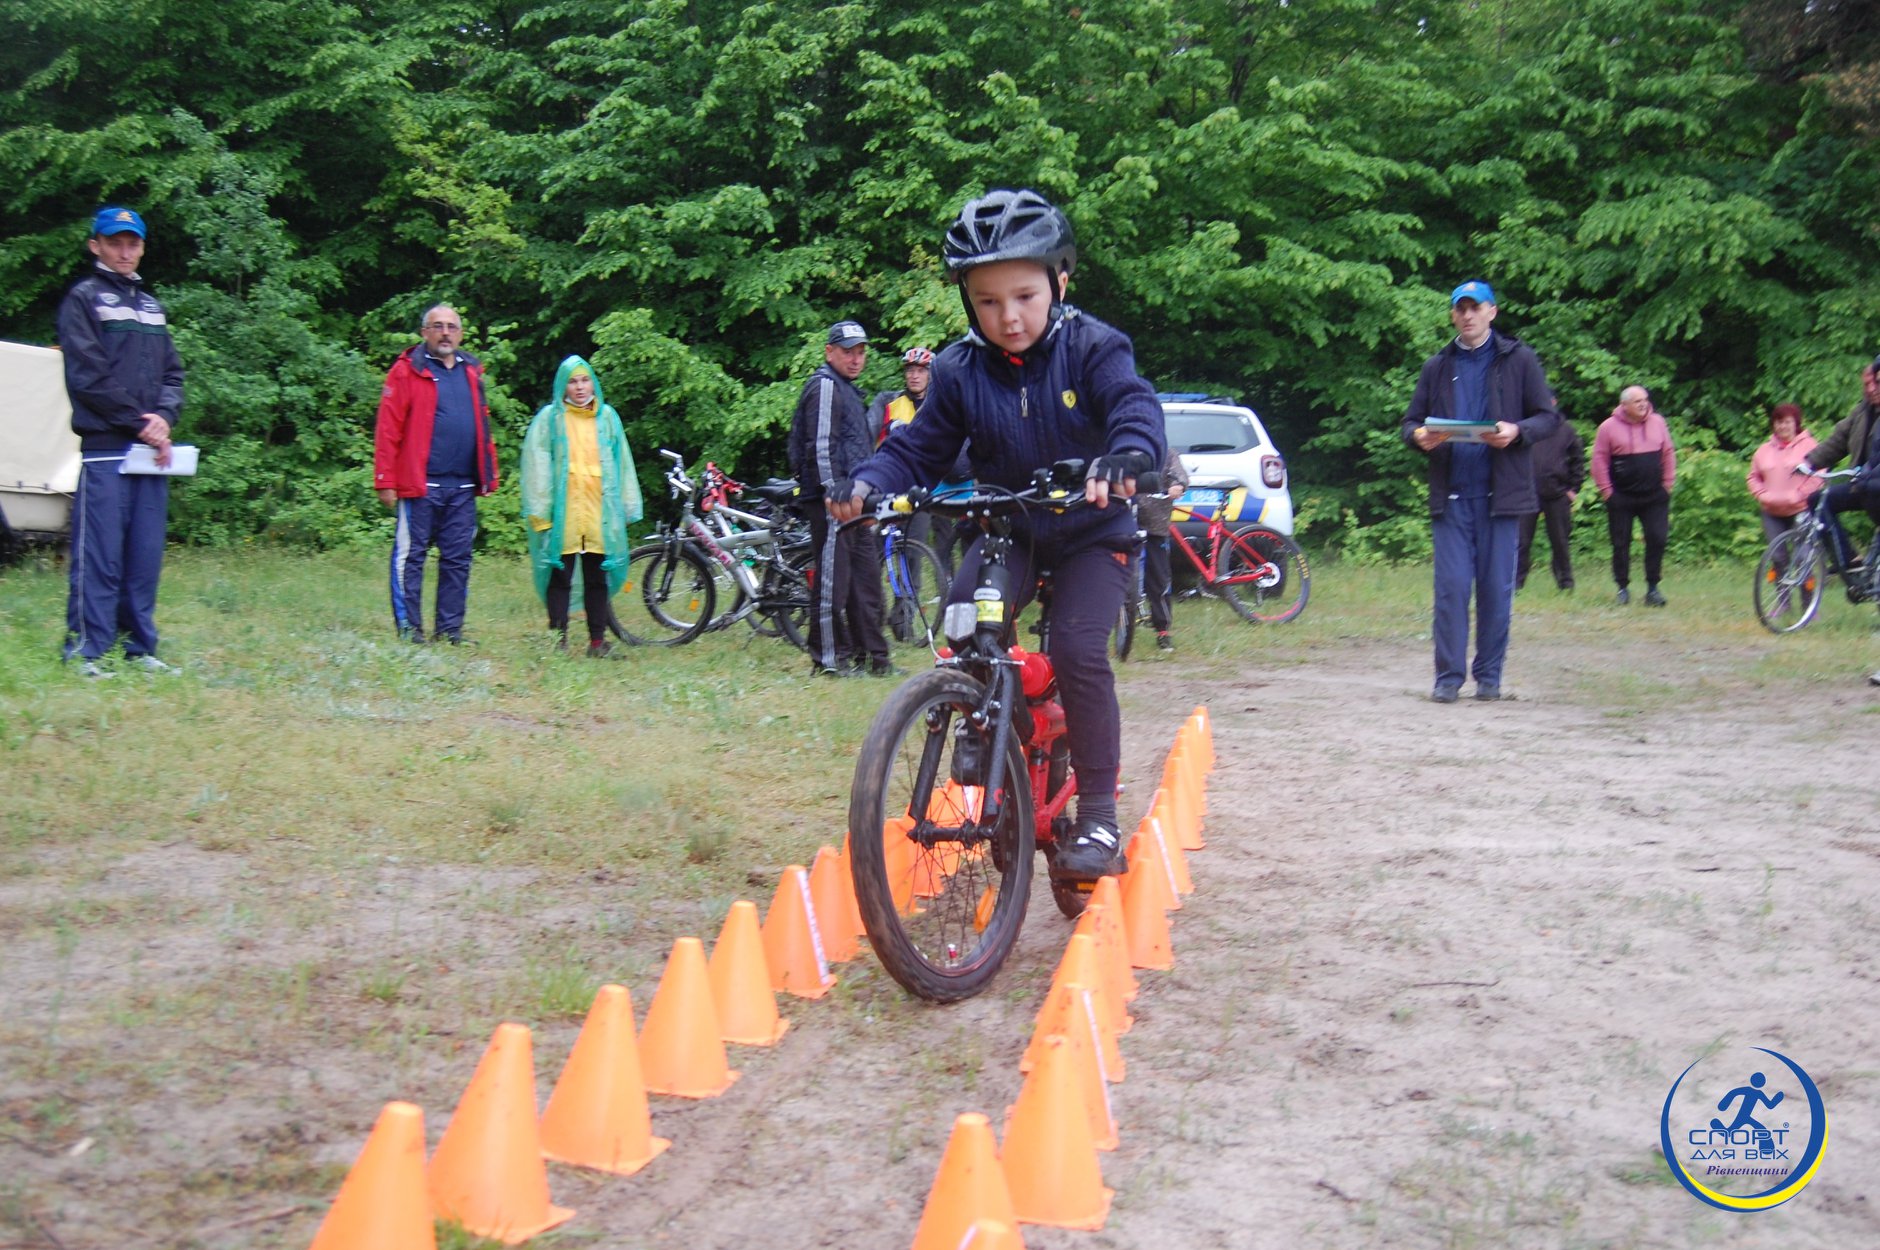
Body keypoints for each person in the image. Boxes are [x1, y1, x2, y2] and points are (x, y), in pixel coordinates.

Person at [832, 188, 1166, 884]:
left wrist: (1127, 456)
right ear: (967, 301)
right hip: (1009, 528)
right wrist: (866, 481)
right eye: (987, 301)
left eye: (1023, 296)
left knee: (1077, 649)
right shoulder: (958, 370)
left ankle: (1099, 815)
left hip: (1091, 532)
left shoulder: (1095, 347)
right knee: (963, 622)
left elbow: (1133, 407)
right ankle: (989, 728)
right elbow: (919, 448)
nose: (1008, 317)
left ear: (1059, 282)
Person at [1402, 280, 1560, 703]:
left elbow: (1548, 418)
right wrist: (1419, 437)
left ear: (1492, 312)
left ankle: (1489, 677)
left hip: (1501, 498)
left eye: (1476, 308)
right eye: (1461, 309)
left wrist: (1517, 431)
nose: (1468, 315)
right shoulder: (1437, 366)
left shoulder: (1519, 359)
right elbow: (1410, 423)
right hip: (1452, 498)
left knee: (1495, 591)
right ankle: (1448, 679)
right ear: (1453, 315)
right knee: (1452, 590)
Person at [59, 206, 186, 679]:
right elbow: (88, 377)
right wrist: (140, 423)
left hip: (151, 454)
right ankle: (85, 652)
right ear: (96, 245)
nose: (124, 251)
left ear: (143, 248)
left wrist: (164, 419)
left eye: (133, 243)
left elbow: (173, 374)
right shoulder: (83, 299)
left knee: (142, 557)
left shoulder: (151, 306)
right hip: (107, 449)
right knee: (100, 556)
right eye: (115, 242)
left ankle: (138, 649)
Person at [373, 304, 499, 644]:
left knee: (458, 560)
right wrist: (385, 480)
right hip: (420, 484)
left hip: (463, 486)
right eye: (438, 326)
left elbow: (482, 424)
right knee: (411, 557)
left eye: (452, 327)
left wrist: (488, 473)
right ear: (424, 332)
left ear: (460, 334)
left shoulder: (471, 370)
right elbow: (388, 428)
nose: (445, 333)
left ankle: (450, 630)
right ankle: (410, 629)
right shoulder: (407, 371)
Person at [520, 356, 643, 657]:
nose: (579, 387)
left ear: (593, 383)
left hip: (599, 513)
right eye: (572, 381)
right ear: (563, 386)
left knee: (597, 578)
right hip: (565, 514)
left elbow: (622, 462)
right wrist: (541, 512)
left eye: (584, 380)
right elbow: (538, 466)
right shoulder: (551, 419)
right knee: (560, 576)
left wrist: (626, 506)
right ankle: (558, 640)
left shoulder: (607, 418)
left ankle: (597, 642)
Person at [788, 320, 891, 677]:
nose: (856, 359)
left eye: (861, 352)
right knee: (833, 584)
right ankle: (830, 660)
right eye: (848, 352)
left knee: (866, 584)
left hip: (856, 501)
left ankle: (874, 658)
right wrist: (834, 493)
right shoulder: (826, 386)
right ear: (829, 352)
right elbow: (820, 446)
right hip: (834, 502)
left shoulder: (846, 389)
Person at [1592, 385, 1677, 606]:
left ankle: (1653, 589)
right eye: (1637, 401)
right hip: (1621, 497)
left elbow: (1668, 453)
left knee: (1657, 538)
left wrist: (1668, 484)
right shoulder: (1608, 427)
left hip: (1655, 495)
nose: (1643, 404)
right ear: (1624, 405)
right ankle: (1622, 587)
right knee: (1620, 542)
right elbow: (1599, 461)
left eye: (1645, 400)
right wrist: (1607, 492)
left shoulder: (1658, 422)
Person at [1801, 355, 1880, 571]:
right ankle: (1848, 560)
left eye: (1876, 383)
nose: (1871, 389)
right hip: (1861, 484)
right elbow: (1838, 441)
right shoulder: (1861, 412)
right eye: (1867, 384)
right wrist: (1809, 462)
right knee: (1819, 501)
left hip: (1875, 485)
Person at [1515, 415, 1584, 591]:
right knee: (1521, 540)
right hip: (1526, 492)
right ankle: (1515, 584)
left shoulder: (1566, 429)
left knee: (1560, 540)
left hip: (1557, 493)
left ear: (1554, 403)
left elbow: (1577, 458)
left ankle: (1565, 584)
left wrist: (1573, 488)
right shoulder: (1524, 426)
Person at [1746, 403, 1821, 546]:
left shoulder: (1810, 445)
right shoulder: (1763, 450)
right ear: (1774, 425)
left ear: (1796, 423)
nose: (1783, 426)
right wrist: (1761, 494)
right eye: (1779, 422)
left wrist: (1800, 494)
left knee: (1802, 555)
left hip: (1801, 509)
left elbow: (1819, 473)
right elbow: (1753, 477)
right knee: (1777, 555)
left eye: (1787, 422)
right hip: (1771, 511)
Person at [1138, 446, 1191, 650]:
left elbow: (1180, 475)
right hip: (1125, 521)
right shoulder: (1125, 449)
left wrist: (1178, 485)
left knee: (1159, 579)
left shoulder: (1167, 453)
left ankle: (1163, 630)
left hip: (1156, 525)